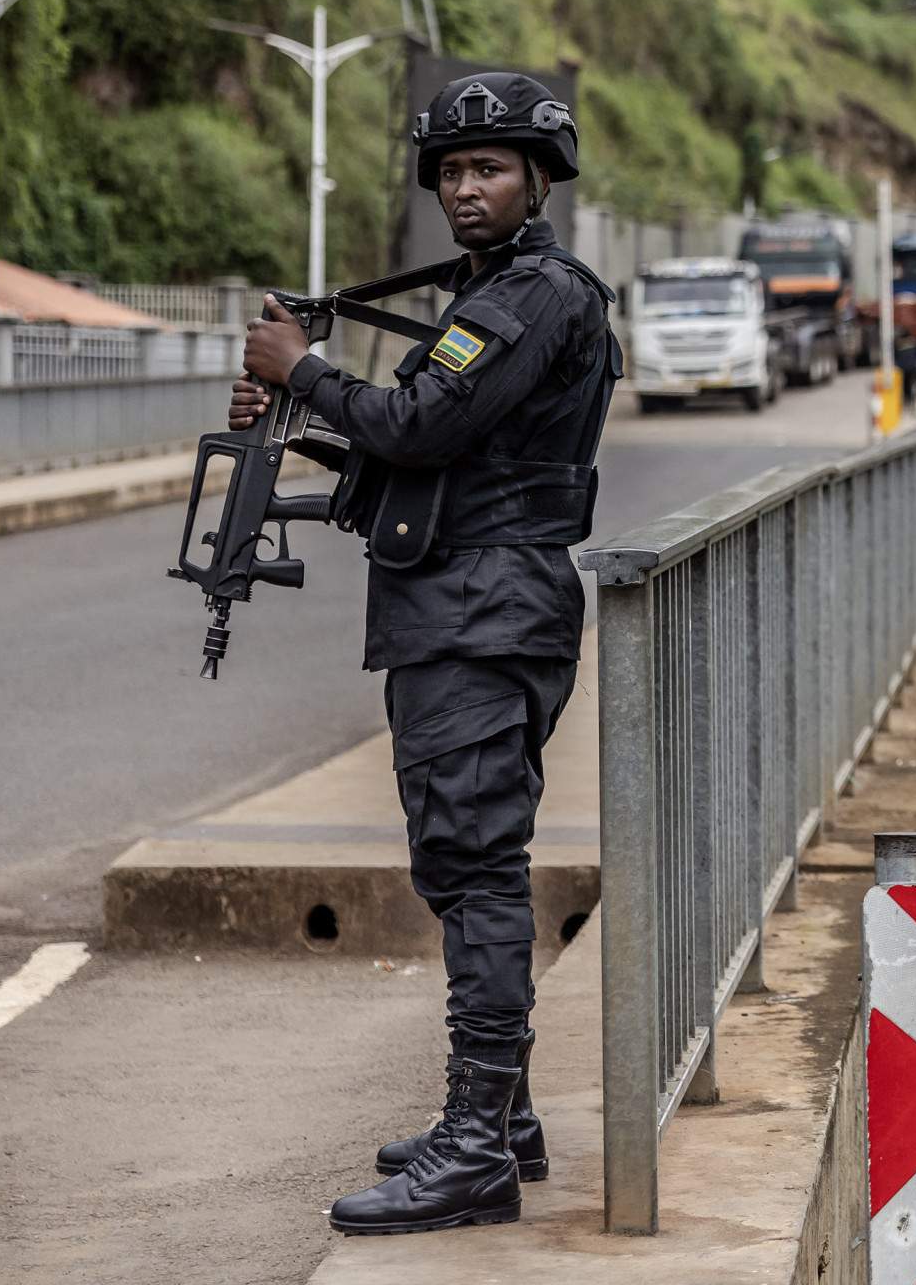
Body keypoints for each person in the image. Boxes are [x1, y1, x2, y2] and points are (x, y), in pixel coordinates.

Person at [227, 72, 619, 1237]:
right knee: (463, 864)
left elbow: (419, 425)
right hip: (469, 605)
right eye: (451, 171)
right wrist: (298, 420)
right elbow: (415, 467)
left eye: (489, 168)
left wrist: (303, 371)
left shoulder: (530, 297)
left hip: (484, 614)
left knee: (477, 865)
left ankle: (475, 1152)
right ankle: (503, 1121)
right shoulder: (495, 296)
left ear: (537, 178)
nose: (465, 188)